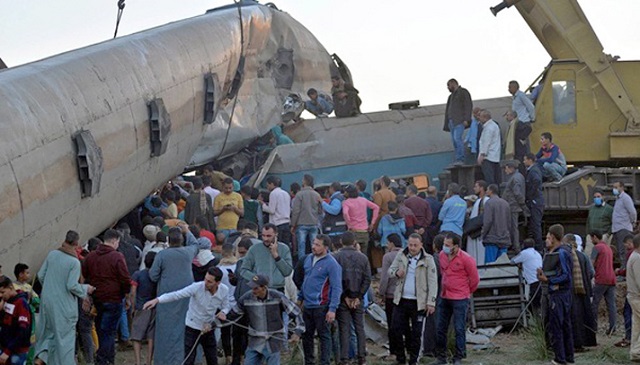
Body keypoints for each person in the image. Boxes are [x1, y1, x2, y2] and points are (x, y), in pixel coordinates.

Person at [148, 224, 212, 364]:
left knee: (165, 331)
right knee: (187, 328)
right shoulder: (188, 252)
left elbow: (153, 275)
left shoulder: (162, 255)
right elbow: (195, 244)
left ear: (168, 241)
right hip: (186, 297)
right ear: (182, 240)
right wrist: (187, 230)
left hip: (166, 297)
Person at [144, 267, 229, 365]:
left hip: (209, 327)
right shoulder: (196, 287)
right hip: (192, 327)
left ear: (218, 283)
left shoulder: (224, 290)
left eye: (209, 281)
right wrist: (157, 300)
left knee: (212, 359)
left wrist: (223, 312)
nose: (205, 283)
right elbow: (177, 295)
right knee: (188, 359)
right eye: (205, 279)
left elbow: (226, 306)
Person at [34, 231, 95, 365]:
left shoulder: (52, 254)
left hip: (47, 302)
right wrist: (86, 289)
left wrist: (51, 288)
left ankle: (41, 360)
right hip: (64, 307)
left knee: (49, 335)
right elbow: (72, 285)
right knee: (65, 342)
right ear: (76, 244)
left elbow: (41, 275)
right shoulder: (74, 262)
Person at [227, 274, 304, 365]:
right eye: (252, 288)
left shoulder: (277, 296)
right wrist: (215, 323)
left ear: (264, 287)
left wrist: (297, 332)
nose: (253, 291)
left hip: (273, 342)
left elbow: (296, 313)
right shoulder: (246, 298)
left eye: (256, 288)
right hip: (254, 341)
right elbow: (232, 315)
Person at [82, 229, 132, 365]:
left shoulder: (91, 257)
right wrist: (127, 296)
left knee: (101, 329)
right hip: (114, 299)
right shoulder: (117, 257)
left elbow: (85, 275)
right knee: (109, 332)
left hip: (97, 299)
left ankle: (108, 359)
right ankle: (103, 360)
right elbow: (125, 279)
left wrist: (88, 294)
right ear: (115, 241)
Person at [388, 234, 438, 365]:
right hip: (401, 300)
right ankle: (401, 358)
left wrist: (431, 302)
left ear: (421, 245)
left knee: (416, 333)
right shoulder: (401, 255)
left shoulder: (428, 259)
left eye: (415, 245)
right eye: (410, 245)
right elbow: (390, 271)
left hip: (418, 302)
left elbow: (433, 282)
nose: (412, 248)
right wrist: (396, 273)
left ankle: (414, 359)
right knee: (396, 329)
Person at [431, 233, 479, 365]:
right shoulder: (442, 256)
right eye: (444, 245)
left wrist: (465, 291)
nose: (444, 247)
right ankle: (441, 357)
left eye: (447, 245)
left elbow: (474, 280)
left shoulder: (467, 259)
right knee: (440, 327)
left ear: (456, 246)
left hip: (460, 298)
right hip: (444, 296)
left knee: (459, 328)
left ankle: (459, 356)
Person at [298, 235, 342, 365]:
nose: (313, 247)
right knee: (306, 335)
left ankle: (325, 362)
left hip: (321, 306)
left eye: (317, 245)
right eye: (313, 243)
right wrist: (300, 298)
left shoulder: (332, 264)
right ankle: (309, 362)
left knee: (324, 337)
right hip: (307, 305)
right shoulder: (308, 259)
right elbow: (306, 280)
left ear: (326, 247)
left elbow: (337, 287)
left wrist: (332, 309)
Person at [536, 224, 574, 365]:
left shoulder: (561, 253)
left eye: (547, 237)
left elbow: (565, 275)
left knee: (557, 326)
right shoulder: (564, 251)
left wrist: (548, 280)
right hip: (564, 295)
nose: (546, 240)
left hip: (559, 295)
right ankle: (569, 357)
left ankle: (560, 358)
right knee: (566, 326)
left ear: (552, 237)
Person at [333, 232, 371, 365]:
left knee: (344, 329)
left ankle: (344, 358)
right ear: (355, 242)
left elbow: (335, 280)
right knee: (359, 328)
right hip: (357, 299)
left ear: (341, 241)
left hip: (343, 299)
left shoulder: (336, 257)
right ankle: (362, 357)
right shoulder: (363, 258)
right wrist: (359, 296)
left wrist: (344, 297)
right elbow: (367, 279)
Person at [562, 234, 597, 351]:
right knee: (584, 317)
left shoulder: (565, 255)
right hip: (584, 291)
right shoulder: (583, 256)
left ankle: (575, 343)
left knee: (574, 318)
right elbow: (591, 272)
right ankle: (585, 342)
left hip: (571, 292)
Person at [240, 223, 293, 292]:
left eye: (269, 236)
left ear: (276, 234)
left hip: (278, 289)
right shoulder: (254, 249)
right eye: (263, 236)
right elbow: (244, 270)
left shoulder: (284, 248)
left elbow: (287, 272)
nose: (265, 239)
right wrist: (257, 279)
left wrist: (276, 256)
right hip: (259, 289)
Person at [378, 234, 403, 361]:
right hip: (405, 295)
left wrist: (381, 293)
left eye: (388, 243)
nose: (387, 245)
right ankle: (408, 350)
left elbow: (384, 278)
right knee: (405, 324)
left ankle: (394, 352)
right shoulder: (407, 255)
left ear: (392, 243)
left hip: (391, 295)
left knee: (393, 325)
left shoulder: (388, 257)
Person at [130, 252, 158, 365]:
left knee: (137, 335)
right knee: (151, 336)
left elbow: (133, 291)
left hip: (141, 307)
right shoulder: (156, 276)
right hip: (154, 307)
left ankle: (137, 361)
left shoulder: (138, 274)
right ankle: (148, 361)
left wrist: (133, 306)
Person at [589, 230, 617, 335]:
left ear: (595, 237)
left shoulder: (597, 248)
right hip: (611, 278)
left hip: (601, 278)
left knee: (594, 304)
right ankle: (613, 327)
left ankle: (593, 327)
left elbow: (591, 264)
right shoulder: (608, 248)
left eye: (592, 238)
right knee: (611, 304)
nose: (591, 240)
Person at [0, 276, 32, 365]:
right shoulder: (7, 301)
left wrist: (8, 351)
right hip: (5, 348)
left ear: (10, 288)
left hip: (17, 351)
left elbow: (23, 331)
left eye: (3, 292)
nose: (1, 295)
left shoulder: (21, 303)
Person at [291, 174, 323, 261]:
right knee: (315, 244)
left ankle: (302, 264)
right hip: (314, 223)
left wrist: (293, 224)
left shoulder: (299, 194)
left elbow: (296, 211)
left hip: (302, 223)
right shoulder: (316, 195)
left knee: (301, 246)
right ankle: (315, 260)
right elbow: (320, 210)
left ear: (305, 181)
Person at [342, 185, 380, 256]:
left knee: (354, 254)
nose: (344, 193)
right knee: (364, 254)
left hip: (354, 232)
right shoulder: (363, 200)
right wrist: (372, 223)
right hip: (364, 232)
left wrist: (349, 225)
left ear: (348, 193)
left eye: (345, 192)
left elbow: (345, 213)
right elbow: (376, 207)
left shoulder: (346, 202)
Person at [443, 78, 472, 165]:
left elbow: (468, 105)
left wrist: (467, 119)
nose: (448, 88)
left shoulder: (463, 92)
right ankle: (457, 158)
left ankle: (461, 158)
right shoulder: (450, 97)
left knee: (457, 139)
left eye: (448, 85)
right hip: (451, 121)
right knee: (454, 141)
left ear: (453, 83)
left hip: (459, 121)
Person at [481, 184, 511, 264]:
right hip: (504, 238)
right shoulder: (506, 204)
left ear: (491, 191)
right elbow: (509, 222)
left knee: (490, 266)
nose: (486, 191)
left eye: (487, 190)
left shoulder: (489, 203)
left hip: (492, 239)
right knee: (502, 266)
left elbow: (487, 221)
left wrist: (483, 234)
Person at [615, 234, 635, 348]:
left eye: (627, 244)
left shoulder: (631, 254)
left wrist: (618, 272)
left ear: (630, 243)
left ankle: (629, 337)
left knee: (627, 312)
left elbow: (628, 270)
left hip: (632, 289)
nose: (626, 246)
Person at [510, 238, 542, 310]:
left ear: (523, 246)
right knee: (537, 305)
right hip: (540, 282)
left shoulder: (524, 253)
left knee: (531, 306)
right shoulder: (538, 254)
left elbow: (512, 261)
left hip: (532, 283)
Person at [502, 160, 527, 253]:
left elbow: (517, 193)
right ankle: (515, 246)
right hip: (514, 205)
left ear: (511, 168)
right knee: (513, 226)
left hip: (513, 206)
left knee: (513, 227)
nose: (505, 171)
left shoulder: (515, 178)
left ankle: (516, 247)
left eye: (506, 168)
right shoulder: (519, 176)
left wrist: (522, 204)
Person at [261, 176, 292, 247]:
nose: (267, 187)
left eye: (268, 185)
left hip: (277, 223)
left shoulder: (273, 194)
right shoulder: (286, 193)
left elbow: (271, 210)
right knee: (285, 246)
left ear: (272, 184)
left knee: (276, 245)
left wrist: (263, 205)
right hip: (286, 222)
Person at [612, 180, 638, 267]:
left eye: (616, 187)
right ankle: (623, 270)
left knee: (623, 251)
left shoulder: (625, 198)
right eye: (613, 187)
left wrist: (632, 222)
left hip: (623, 228)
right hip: (617, 228)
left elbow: (632, 212)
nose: (614, 189)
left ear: (622, 188)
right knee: (620, 250)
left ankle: (625, 270)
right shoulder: (618, 199)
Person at [509, 80, 535, 161]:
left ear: (515, 87)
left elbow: (531, 106)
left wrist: (532, 118)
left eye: (510, 87)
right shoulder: (515, 98)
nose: (508, 89)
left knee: (523, 146)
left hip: (523, 123)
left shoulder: (521, 96)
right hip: (517, 123)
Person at [523, 153, 545, 251]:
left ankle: (539, 248)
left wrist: (530, 196)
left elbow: (536, 181)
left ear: (530, 160)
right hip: (535, 201)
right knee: (533, 225)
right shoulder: (532, 170)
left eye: (525, 159)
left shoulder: (533, 171)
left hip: (535, 202)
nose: (524, 162)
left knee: (536, 225)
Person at [466, 180, 489, 265]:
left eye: (476, 186)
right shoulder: (478, 201)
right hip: (475, 232)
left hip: (479, 233)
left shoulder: (485, 201)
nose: (474, 188)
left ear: (481, 188)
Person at [477, 109, 502, 185]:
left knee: (489, 179)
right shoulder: (495, 125)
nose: (479, 118)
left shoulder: (488, 128)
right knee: (496, 179)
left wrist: (482, 155)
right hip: (495, 156)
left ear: (485, 118)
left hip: (488, 157)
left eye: (480, 117)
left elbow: (486, 142)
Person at [586, 187, 613, 254]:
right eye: (595, 197)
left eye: (598, 196)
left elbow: (613, 223)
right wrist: (588, 233)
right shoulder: (591, 208)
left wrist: (608, 234)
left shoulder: (609, 209)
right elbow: (588, 221)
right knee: (588, 253)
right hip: (591, 236)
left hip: (603, 236)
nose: (596, 198)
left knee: (602, 254)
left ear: (603, 197)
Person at [626, 234, 640, 361]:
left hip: (633, 296)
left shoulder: (633, 256)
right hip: (637, 297)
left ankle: (636, 352)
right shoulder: (637, 258)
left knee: (637, 325)